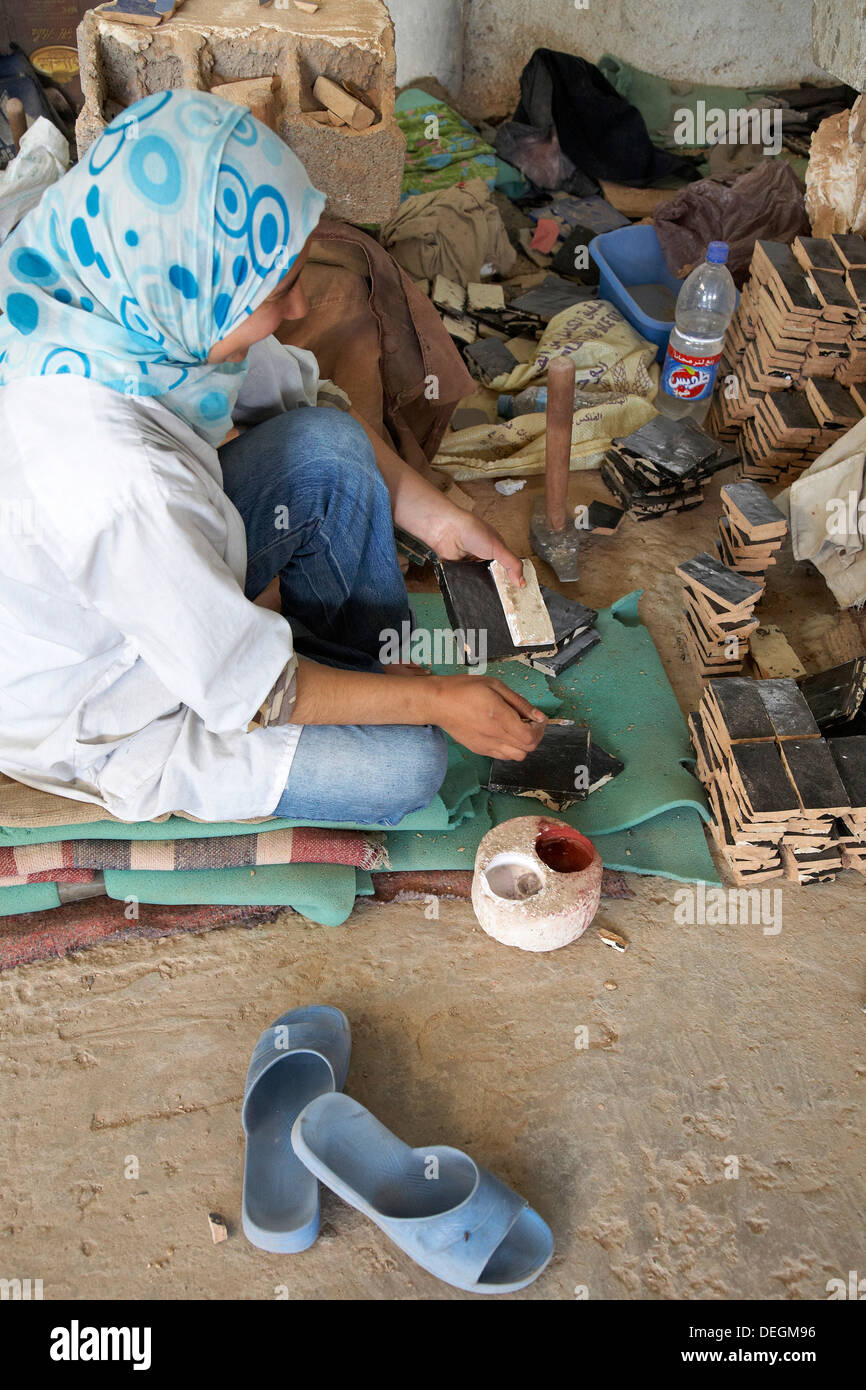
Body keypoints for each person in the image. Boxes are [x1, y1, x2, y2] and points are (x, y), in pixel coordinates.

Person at [0, 90, 546, 829]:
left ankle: (354, 670)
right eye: (277, 287)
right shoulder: (113, 478)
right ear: (196, 286)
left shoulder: (135, 298)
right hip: (100, 695)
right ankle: (360, 691)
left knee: (328, 445)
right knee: (410, 764)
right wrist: (433, 702)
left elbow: (300, 393)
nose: (296, 309)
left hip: (152, 582)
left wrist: (439, 518)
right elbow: (244, 690)